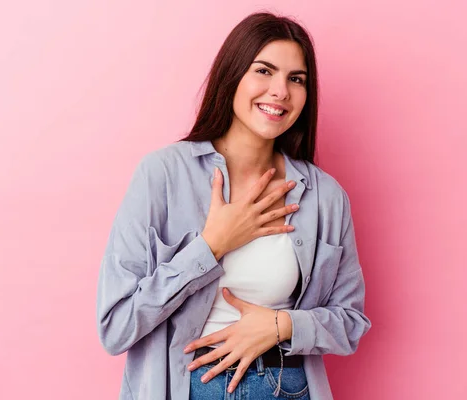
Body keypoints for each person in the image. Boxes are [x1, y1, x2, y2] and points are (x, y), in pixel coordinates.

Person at [96, 11, 371, 400]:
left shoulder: (325, 197)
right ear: (233, 75)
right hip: (187, 386)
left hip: (286, 387)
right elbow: (116, 326)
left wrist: (282, 325)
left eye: (296, 79)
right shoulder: (163, 174)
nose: (280, 91)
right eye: (264, 71)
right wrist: (212, 245)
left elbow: (350, 322)